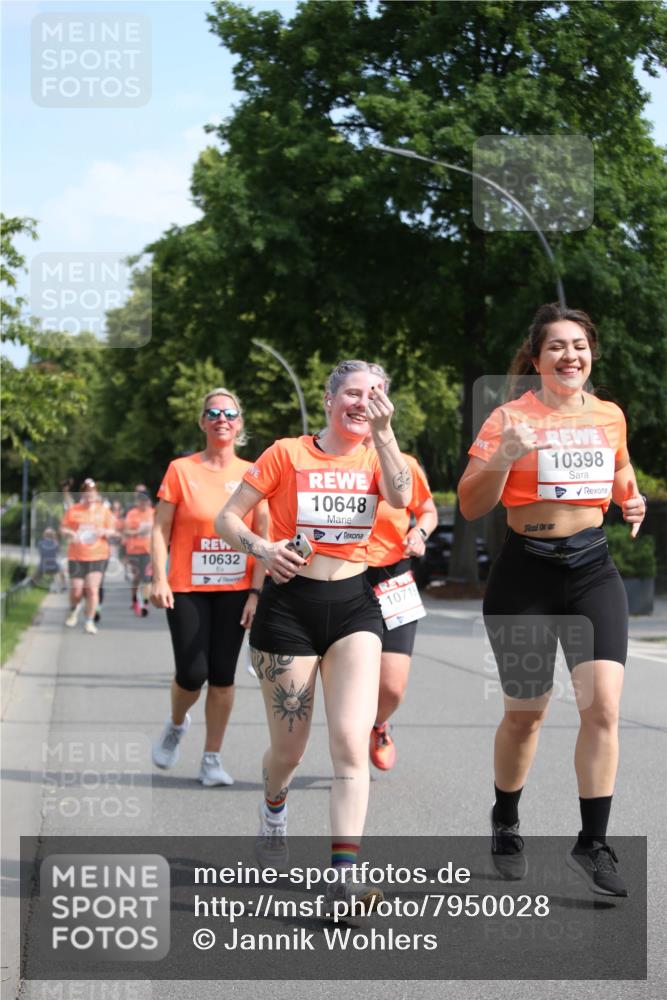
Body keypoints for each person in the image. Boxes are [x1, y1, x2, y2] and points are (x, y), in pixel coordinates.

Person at [458, 303, 645, 897]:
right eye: (557, 347)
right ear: (536, 359)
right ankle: (507, 819)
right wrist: (508, 455)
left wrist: (632, 501)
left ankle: (592, 843)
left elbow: (621, 475)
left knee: (603, 709)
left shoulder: (609, 416)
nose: (571, 355)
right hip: (526, 578)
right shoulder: (509, 417)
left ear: (591, 355)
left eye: (580, 346)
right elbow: (469, 504)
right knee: (526, 715)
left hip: (593, 571)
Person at [216, 360, 412, 910]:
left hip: (354, 608)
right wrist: (262, 549)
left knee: (350, 742)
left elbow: (401, 499)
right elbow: (227, 519)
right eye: (353, 393)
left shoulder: (381, 453)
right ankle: (274, 804)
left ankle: (344, 876)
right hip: (288, 612)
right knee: (291, 749)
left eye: (375, 394)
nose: (363, 402)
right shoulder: (286, 454)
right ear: (329, 400)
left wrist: (386, 433)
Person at [150, 388, 269, 787]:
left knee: (222, 676)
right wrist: (158, 577)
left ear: (239, 424)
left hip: (236, 589)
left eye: (230, 413)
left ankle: (211, 759)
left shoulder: (253, 473)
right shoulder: (181, 470)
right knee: (191, 673)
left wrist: (256, 593)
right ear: (202, 422)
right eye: (213, 412)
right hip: (186, 587)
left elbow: (262, 537)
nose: (222, 418)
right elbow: (159, 528)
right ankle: (177, 722)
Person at [365, 442, 437, 770]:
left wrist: (418, 533)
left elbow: (427, 510)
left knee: (392, 686)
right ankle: (349, 754)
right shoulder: (332, 463)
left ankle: (379, 725)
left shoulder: (403, 463)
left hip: (394, 575)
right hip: (345, 574)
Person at [60, 479, 117, 635]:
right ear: (82, 493)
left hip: (98, 555)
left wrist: (105, 532)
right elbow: (63, 528)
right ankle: (74, 609)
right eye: (86, 491)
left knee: (92, 589)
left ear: (96, 493)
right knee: (77, 591)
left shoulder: (104, 511)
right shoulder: (74, 510)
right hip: (76, 555)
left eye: (92, 491)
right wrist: (71, 533)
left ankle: (89, 621)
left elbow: (113, 530)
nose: (89, 494)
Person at [123, 485, 154, 616]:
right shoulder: (132, 514)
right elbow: (125, 531)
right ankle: (135, 599)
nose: (143, 502)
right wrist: (138, 531)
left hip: (149, 551)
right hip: (134, 550)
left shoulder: (154, 513)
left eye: (145, 500)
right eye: (140, 500)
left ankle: (145, 604)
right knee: (136, 577)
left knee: (147, 578)